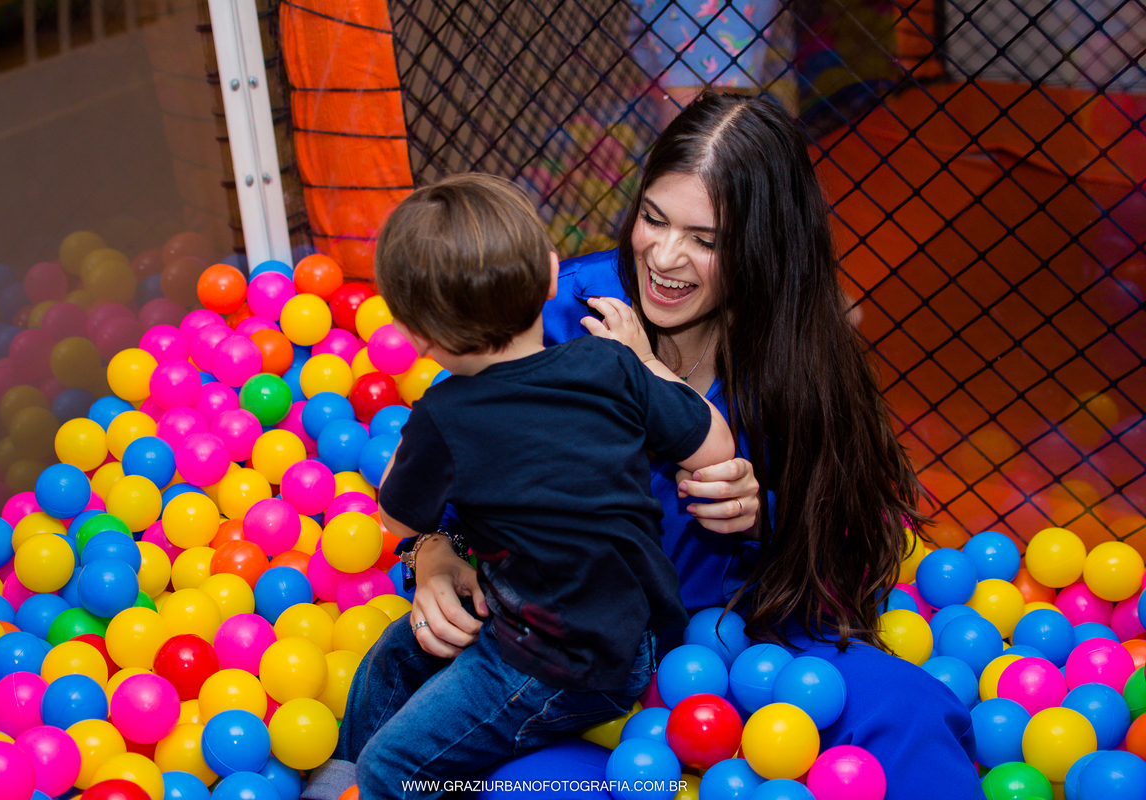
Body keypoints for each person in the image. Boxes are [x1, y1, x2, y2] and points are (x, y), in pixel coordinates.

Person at [370, 93, 982, 798]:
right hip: (568, 659)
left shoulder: (801, 359)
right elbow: (450, 467)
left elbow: (840, 545)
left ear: (762, 248)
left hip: (738, 639)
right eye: (653, 219)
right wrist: (434, 555)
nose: (664, 256)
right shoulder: (561, 312)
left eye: (706, 239)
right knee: (539, 783)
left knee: (907, 713)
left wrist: (760, 515)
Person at [334, 172, 737, 799]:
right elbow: (714, 445)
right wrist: (649, 366)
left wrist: (406, 471)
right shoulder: (611, 363)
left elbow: (399, 520)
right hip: (638, 629)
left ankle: (356, 779)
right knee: (400, 651)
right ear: (552, 276)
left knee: (394, 769)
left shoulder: (444, 417)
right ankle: (339, 778)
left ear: (418, 338)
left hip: (557, 663)